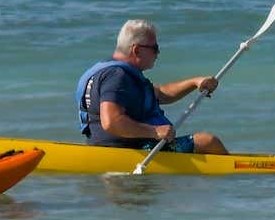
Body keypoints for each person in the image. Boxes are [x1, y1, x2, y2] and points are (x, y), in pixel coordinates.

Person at [76, 19, 230, 155]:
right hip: (129, 150)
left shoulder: (112, 72)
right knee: (208, 142)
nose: (158, 53)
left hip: (111, 147)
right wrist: (155, 131)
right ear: (136, 50)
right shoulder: (117, 77)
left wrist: (195, 82)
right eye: (154, 48)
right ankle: (237, 172)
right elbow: (111, 121)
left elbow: (160, 94)